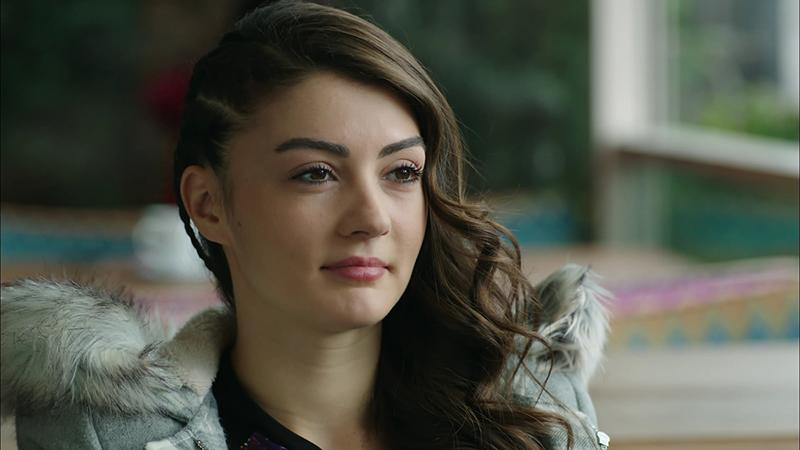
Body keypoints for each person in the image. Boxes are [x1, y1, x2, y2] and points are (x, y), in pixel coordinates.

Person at [0, 2, 611, 449]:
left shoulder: (533, 407)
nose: (371, 218)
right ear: (208, 204)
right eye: (316, 173)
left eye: (401, 172)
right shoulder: (106, 434)